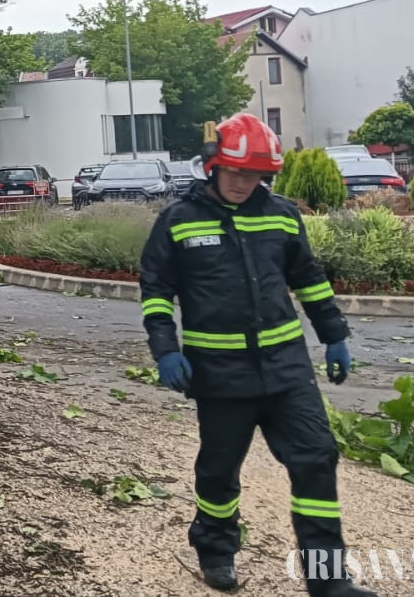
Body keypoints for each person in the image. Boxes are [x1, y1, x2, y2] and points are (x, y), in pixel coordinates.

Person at [139, 113, 373, 597]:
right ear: (213, 166)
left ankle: (329, 579)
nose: (244, 183)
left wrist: (334, 335)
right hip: (219, 375)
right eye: (235, 172)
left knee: (316, 460)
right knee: (219, 471)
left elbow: (309, 278)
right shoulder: (179, 220)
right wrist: (165, 350)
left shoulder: (282, 214)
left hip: (287, 371)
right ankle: (216, 550)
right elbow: (156, 290)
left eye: (255, 175)